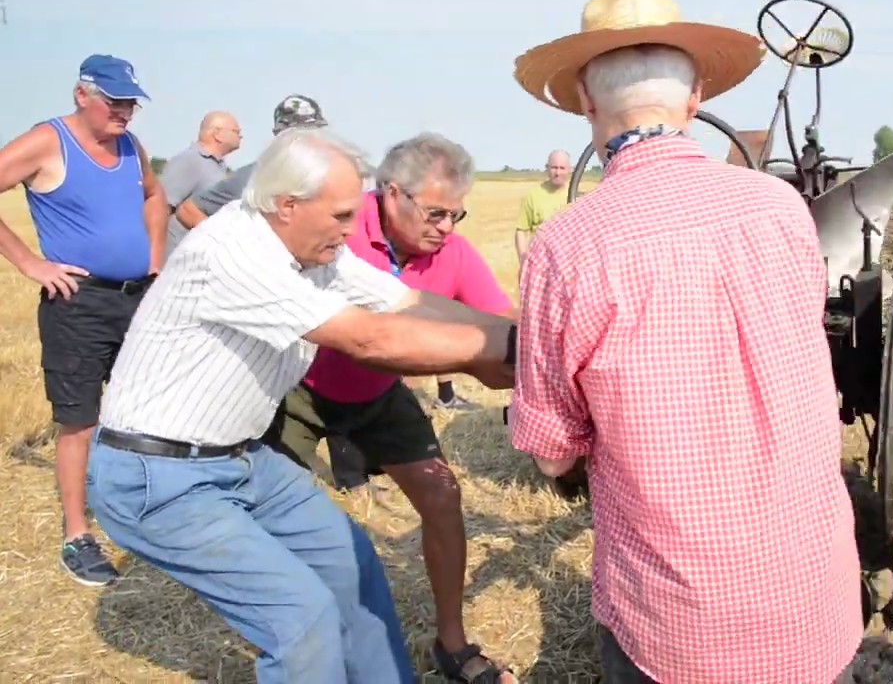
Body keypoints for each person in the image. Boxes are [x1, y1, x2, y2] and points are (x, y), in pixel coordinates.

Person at [508, 0, 863, 683]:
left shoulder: (566, 246)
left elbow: (551, 455)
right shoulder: (783, 211)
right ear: (696, 97)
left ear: (585, 99)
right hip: (811, 596)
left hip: (677, 624)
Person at [85, 127, 517, 683]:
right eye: (340, 215)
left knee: (352, 565)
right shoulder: (234, 251)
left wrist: (527, 338)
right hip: (159, 475)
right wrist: (491, 351)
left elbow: (407, 301)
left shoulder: (315, 250)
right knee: (299, 618)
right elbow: (369, 338)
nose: (350, 227)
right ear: (287, 205)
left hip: (239, 459)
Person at [262, 131, 519, 684]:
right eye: (435, 212)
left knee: (442, 495)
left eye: (457, 214)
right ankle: (299, 647)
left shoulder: (453, 252)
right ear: (392, 194)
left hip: (377, 395)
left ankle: (450, 643)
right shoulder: (340, 232)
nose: (446, 227)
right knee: (276, 519)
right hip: (298, 390)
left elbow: (502, 327)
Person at [0, 54, 166, 586]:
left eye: (130, 103)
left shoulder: (130, 146)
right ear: (82, 95)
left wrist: (156, 259)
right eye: (115, 101)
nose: (125, 112)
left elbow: (154, 195)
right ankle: (78, 535)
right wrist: (30, 263)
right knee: (80, 421)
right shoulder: (47, 141)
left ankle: (141, 514)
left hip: (135, 298)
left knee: (141, 413)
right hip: (79, 303)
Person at [173, 94, 327, 231]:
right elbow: (188, 211)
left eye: (314, 131)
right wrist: (227, 246)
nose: (311, 138)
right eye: (302, 132)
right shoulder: (256, 175)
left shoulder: (327, 174)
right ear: (281, 136)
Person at [162, 111, 241, 257]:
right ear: (217, 134)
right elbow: (161, 208)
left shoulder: (218, 166)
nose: (241, 136)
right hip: (174, 259)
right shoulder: (189, 160)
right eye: (236, 131)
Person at [513, 149, 571, 281]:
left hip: (567, 266)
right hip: (540, 266)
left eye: (562, 168)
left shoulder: (577, 196)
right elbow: (521, 230)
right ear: (547, 168)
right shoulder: (533, 196)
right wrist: (523, 258)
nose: (557, 172)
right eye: (554, 168)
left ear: (569, 170)